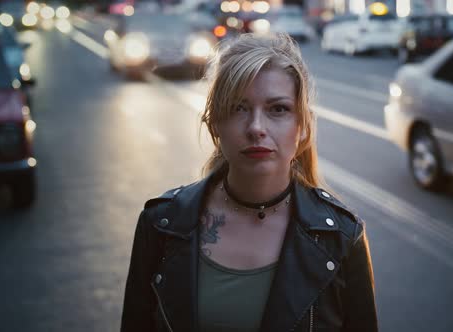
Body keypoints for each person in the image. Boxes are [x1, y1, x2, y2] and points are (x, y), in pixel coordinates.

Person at [120, 33, 378, 332]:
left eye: (278, 109)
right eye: (238, 108)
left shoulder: (343, 237)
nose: (256, 127)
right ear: (214, 124)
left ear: (303, 127)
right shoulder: (161, 224)